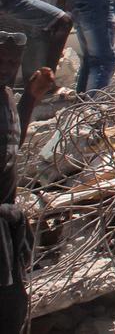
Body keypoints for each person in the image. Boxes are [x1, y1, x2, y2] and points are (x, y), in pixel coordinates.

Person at [0, 32, 55, 332]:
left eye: (13, 61)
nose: (7, 66)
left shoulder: (7, 95)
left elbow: (13, 143)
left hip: (7, 221)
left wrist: (31, 99)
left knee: (13, 306)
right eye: (2, 59)